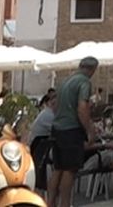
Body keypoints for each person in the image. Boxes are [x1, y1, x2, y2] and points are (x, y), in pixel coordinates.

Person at [48, 56, 101, 207]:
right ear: (92, 70)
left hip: (57, 128)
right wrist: (90, 130)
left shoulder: (65, 81)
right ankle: (65, 204)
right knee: (69, 169)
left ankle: (50, 203)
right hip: (71, 129)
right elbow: (82, 109)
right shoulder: (84, 82)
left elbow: (55, 105)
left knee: (58, 168)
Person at [28, 91, 58, 193]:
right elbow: (59, 131)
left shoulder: (46, 113)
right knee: (65, 164)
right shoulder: (48, 115)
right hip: (41, 154)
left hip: (39, 151)